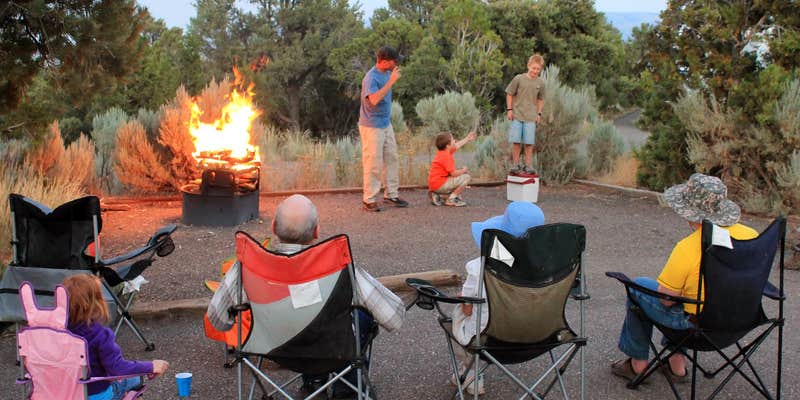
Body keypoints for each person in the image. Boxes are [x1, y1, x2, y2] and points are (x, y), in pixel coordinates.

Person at [207, 194, 404, 398]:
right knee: (361, 316)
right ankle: (346, 390)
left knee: (300, 312)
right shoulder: (340, 269)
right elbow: (393, 318)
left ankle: (313, 384)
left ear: (273, 227)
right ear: (317, 231)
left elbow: (217, 319)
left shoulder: (249, 267)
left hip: (273, 348)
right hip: (328, 348)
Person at [610, 173, 758, 383]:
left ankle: (638, 364)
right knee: (691, 297)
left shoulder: (688, 248)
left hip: (696, 328)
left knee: (639, 288)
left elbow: (666, 300)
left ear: (689, 212)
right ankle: (676, 365)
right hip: (739, 320)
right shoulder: (751, 236)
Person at [450, 201, 546, 395]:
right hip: (539, 336)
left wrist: (464, 301)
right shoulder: (549, 269)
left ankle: (471, 374)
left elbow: (468, 308)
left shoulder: (480, 268)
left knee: (460, 309)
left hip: (491, 340)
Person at [63, 274, 169, 400]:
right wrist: (150, 366)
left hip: (65, 393)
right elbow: (118, 369)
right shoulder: (100, 334)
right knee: (135, 379)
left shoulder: (55, 332)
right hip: (97, 395)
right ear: (96, 302)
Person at [358, 45, 409, 212]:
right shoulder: (370, 78)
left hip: (386, 124)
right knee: (373, 164)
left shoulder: (387, 72)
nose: (396, 64)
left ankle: (391, 194)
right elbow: (373, 100)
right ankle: (369, 199)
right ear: (385, 62)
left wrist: (390, 78)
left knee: (392, 158)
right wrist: (392, 82)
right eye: (394, 61)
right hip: (372, 126)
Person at [505, 54, 545, 175]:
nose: (535, 71)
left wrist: (539, 114)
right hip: (517, 115)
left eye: (538, 69)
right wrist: (509, 110)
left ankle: (528, 165)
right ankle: (516, 165)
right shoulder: (519, 78)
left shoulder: (541, 83)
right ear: (528, 66)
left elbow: (540, 99)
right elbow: (509, 93)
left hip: (531, 117)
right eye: (534, 68)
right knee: (516, 142)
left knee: (529, 143)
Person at [428, 131, 477, 207]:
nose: (454, 140)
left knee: (459, 193)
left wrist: (467, 139)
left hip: (435, 184)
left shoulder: (443, 152)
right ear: (448, 146)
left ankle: (439, 196)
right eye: (452, 140)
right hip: (440, 184)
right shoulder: (446, 156)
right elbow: (453, 174)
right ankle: (451, 199)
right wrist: (463, 170)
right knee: (466, 177)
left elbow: (457, 145)